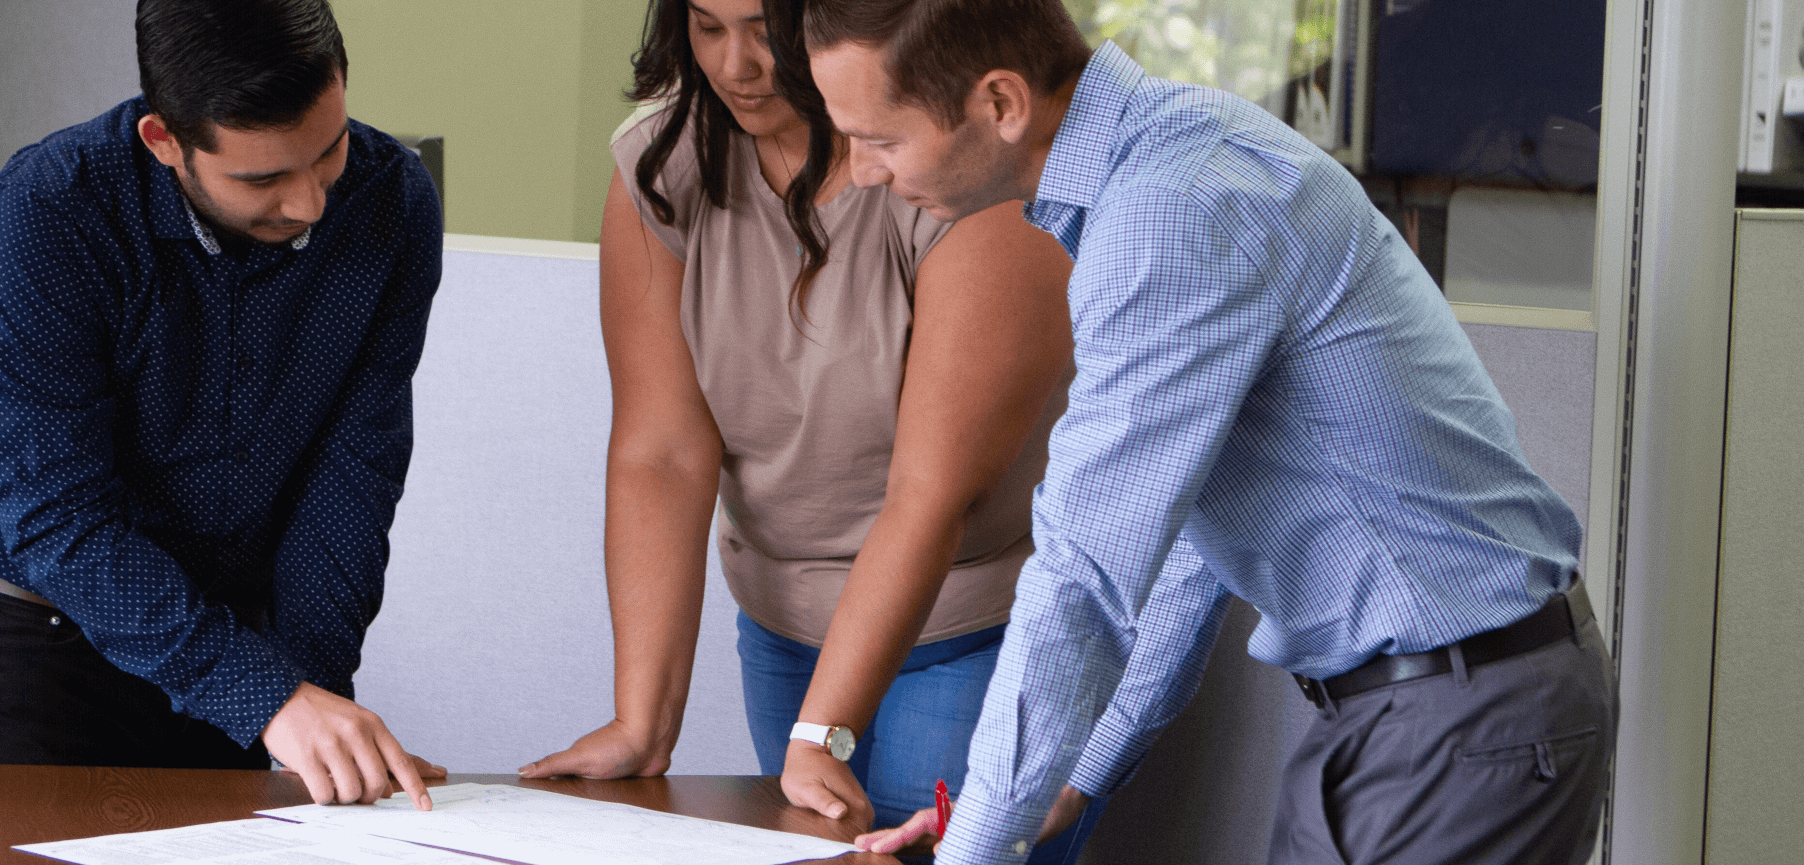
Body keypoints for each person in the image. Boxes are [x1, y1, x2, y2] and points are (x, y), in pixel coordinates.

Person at [804, 1, 1616, 864]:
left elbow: (1083, 572)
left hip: (1456, 714)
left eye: (880, 140)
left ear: (1000, 103)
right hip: (1409, 711)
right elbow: (1189, 545)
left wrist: (978, 846)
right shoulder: (1165, 163)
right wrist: (1067, 779)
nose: (860, 173)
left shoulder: (1169, 208)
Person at [518, 0, 1105, 860]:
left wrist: (822, 732)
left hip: (970, 630)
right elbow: (663, 453)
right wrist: (642, 720)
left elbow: (932, 489)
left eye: (763, 26)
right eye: (707, 26)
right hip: (784, 631)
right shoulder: (660, 163)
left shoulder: (962, 160)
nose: (735, 65)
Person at [0, 2, 447, 862]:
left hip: (234, 637)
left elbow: (353, 472)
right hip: (28, 646)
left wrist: (309, 698)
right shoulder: (45, 219)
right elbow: (58, 518)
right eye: (262, 180)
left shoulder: (390, 202)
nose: (310, 201)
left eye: (328, 150)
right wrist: (269, 696)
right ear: (165, 140)